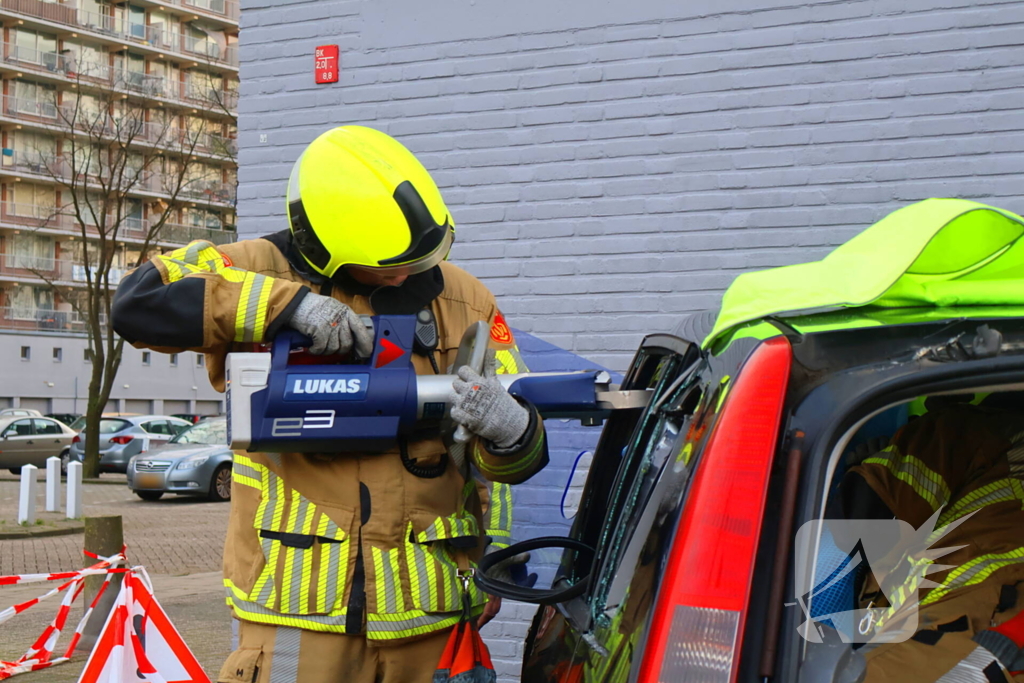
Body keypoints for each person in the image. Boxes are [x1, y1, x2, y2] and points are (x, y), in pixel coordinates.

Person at [111, 125, 548, 683]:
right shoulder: (250, 268)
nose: (407, 274)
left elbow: (510, 464)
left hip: (432, 616)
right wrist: (285, 307)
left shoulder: (467, 301)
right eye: (389, 262)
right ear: (327, 247)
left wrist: (512, 432)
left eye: (420, 257)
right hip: (294, 617)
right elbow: (137, 303)